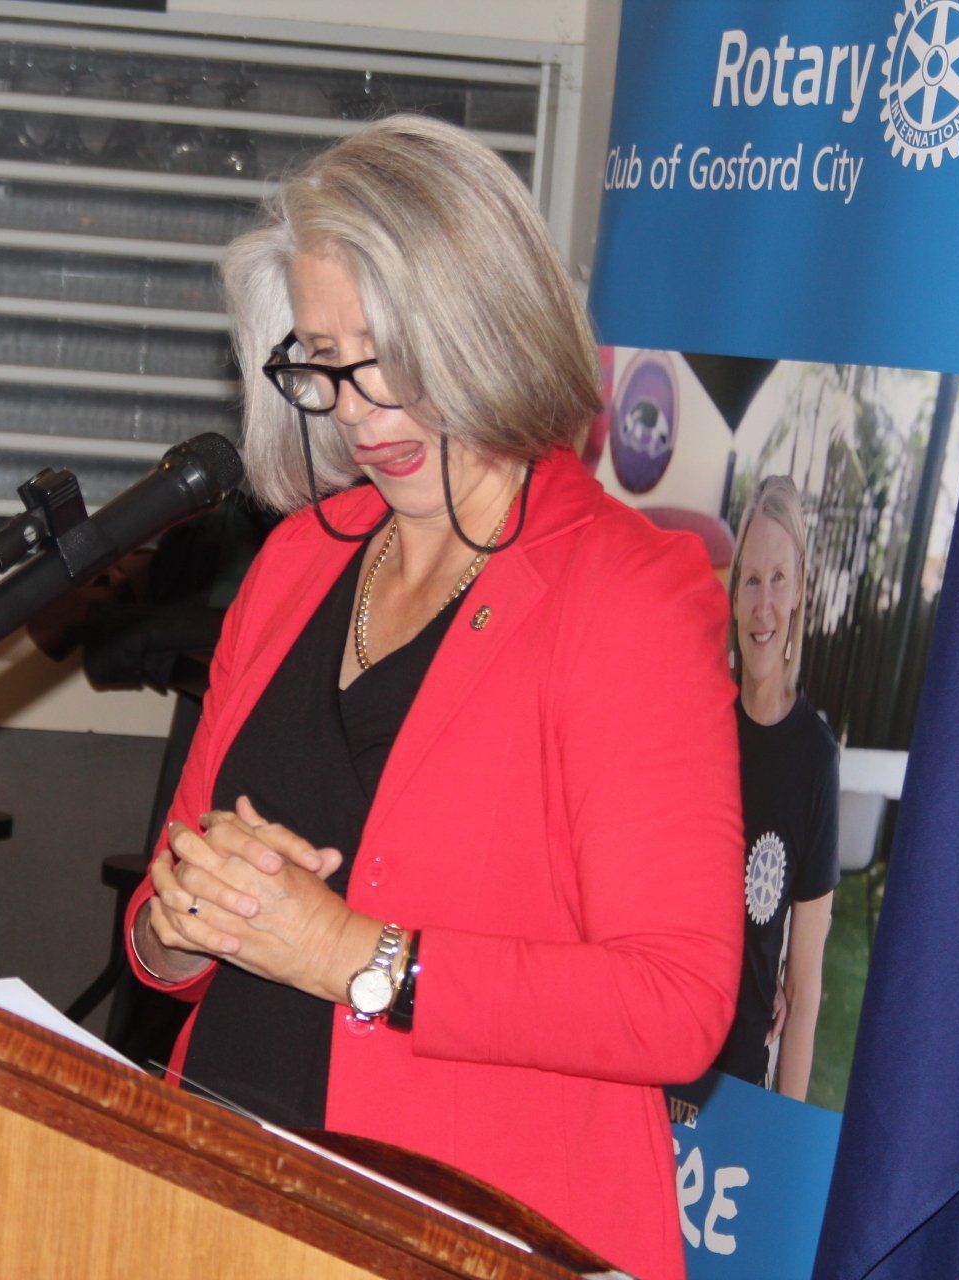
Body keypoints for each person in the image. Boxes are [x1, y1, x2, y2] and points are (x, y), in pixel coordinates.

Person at [121, 115, 742, 1280]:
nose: (357, 408)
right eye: (323, 361)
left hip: (476, 1232)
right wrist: (174, 920)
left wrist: (362, 956)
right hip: (219, 1191)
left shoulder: (626, 592)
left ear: (487, 323)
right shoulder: (297, 559)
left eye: (389, 354)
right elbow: (172, 922)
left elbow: (678, 1001)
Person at [710, 474, 839, 1100]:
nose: (764, 605)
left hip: (740, 1076)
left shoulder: (814, 759)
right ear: (733, 597)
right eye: (751, 580)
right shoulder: (696, 720)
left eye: (779, 580)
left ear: (798, 595)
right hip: (657, 1048)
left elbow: (806, 988)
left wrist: (783, 1132)